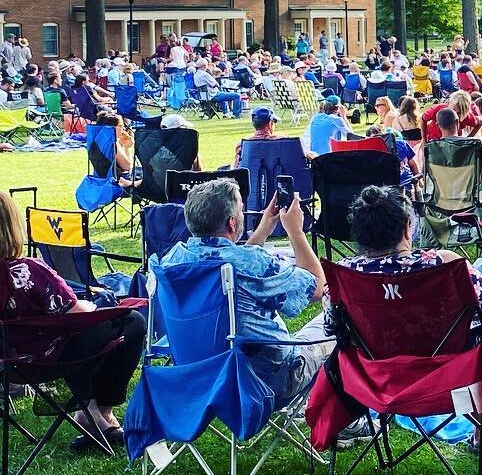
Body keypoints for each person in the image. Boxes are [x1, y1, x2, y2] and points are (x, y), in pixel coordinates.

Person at [161, 178, 331, 406]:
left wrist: (263, 230)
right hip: (267, 382)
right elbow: (317, 288)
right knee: (338, 316)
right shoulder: (251, 263)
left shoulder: (173, 260)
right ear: (232, 223)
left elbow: (235, 263)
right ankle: (347, 424)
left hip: (200, 378)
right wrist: (296, 232)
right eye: (241, 209)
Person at [0, 190, 146, 455]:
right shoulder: (28, 272)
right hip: (46, 360)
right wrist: (93, 307)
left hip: (7, 367)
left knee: (82, 333)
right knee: (131, 321)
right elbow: (76, 314)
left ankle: (91, 413)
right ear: (11, 226)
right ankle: (98, 412)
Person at [346, 184, 482, 323]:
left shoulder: (345, 273)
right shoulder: (445, 263)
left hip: (374, 356)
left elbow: (330, 327)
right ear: (407, 229)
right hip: (446, 356)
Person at [303, 93, 350, 160]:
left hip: (313, 156)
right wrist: (344, 117)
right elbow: (351, 136)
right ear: (338, 108)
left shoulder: (315, 117)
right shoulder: (337, 120)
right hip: (328, 157)